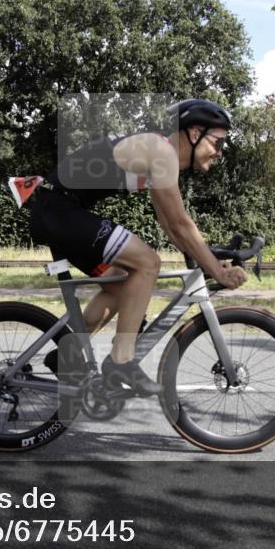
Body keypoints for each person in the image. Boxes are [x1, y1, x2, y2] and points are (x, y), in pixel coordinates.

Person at [23, 99, 247, 396]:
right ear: (194, 133)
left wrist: (207, 258)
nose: (219, 153)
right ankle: (121, 361)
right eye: (218, 143)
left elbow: (171, 226)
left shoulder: (159, 159)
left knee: (124, 284)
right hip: (59, 210)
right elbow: (180, 224)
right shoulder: (161, 153)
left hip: (57, 210)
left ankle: (68, 353)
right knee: (147, 263)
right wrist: (216, 270)